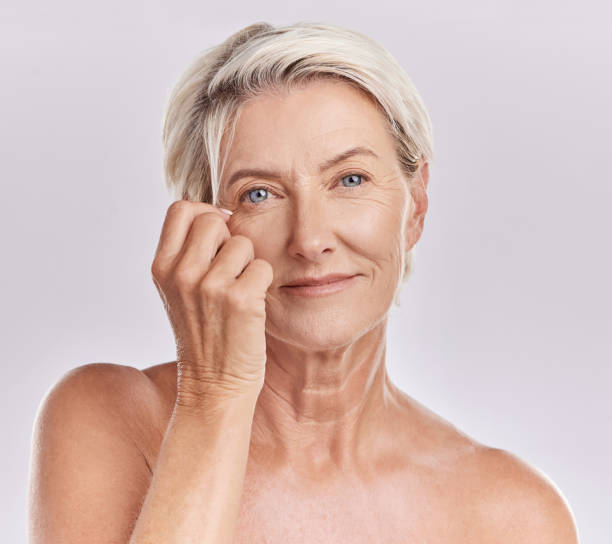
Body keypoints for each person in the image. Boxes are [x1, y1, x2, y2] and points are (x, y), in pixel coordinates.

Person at [28, 21, 579, 543]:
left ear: (416, 206)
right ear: (205, 227)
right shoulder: (106, 419)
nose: (310, 239)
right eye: (259, 193)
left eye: (351, 179)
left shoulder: (513, 516)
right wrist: (214, 396)